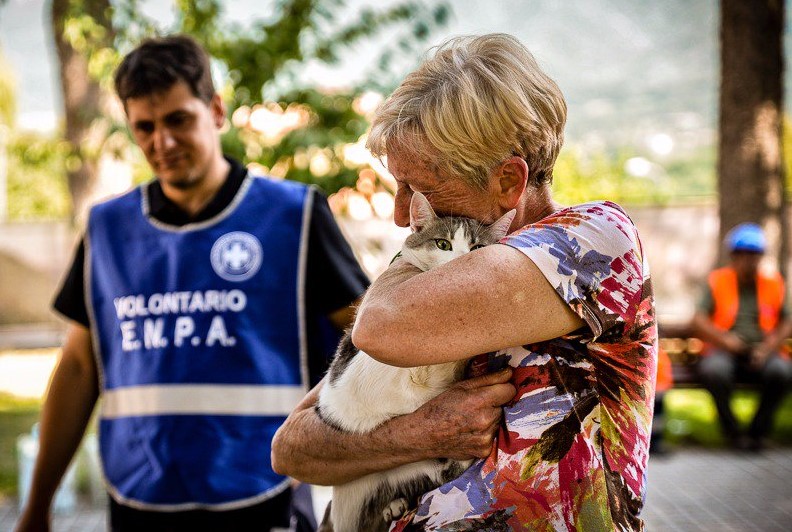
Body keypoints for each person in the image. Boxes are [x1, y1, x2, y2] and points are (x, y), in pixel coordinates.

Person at [272, 33, 657, 531]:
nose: (400, 215)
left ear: (508, 182)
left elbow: (379, 327)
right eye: (398, 185)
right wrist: (419, 434)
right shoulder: (437, 266)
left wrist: (414, 257)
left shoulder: (593, 242)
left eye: (420, 188)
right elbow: (293, 448)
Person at [16, 35, 369, 531]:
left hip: (263, 493)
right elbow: (78, 367)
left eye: (178, 119)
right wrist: (37, 505)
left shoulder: (294, 216)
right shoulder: (106, 230)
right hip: (139, 498)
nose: (162, 142)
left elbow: (371, 336)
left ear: (217, 110)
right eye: (145, 127)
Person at [692, 222, 792, 451]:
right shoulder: (717, 280)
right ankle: (734, 433)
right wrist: (724, 340)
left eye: (754, 254)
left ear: (761, 256)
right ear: (733, 256)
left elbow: (788, 320)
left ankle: (758, 432)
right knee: (713, 371)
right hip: (724, 350)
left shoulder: (774, 283)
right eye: (743, 254)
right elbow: (698, 319)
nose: (749, 260)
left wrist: (767, 348)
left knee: (782, 372)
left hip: (762, 351)